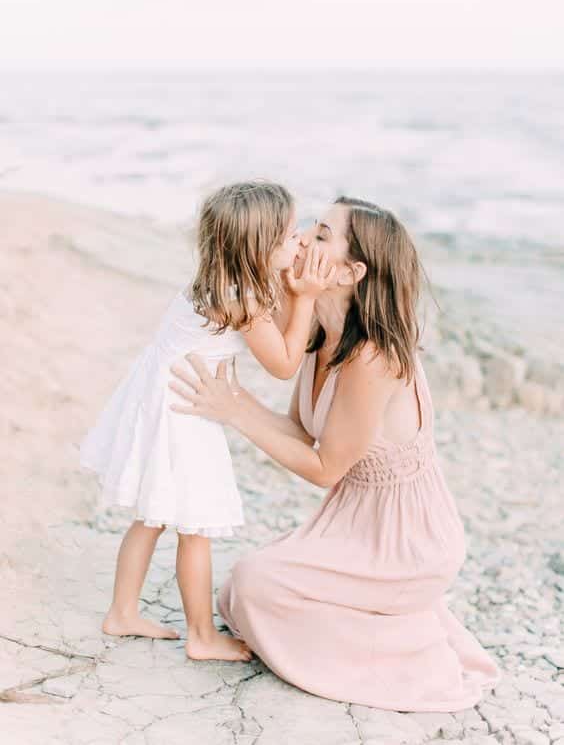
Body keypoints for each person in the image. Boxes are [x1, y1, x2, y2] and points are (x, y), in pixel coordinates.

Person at [169, 196, 500, 710]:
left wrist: (235, 412)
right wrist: (235, 401)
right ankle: (385, 615)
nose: (302, 237)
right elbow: (302, 432)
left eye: (321, 234)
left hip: (405, 539)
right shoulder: (323, 333)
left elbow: (324, 468)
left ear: (351, 271)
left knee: (254, 586)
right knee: (239, 589)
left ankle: (413, 642)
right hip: (353, 522)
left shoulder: (373, 356)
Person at [80, 180, 334, 662]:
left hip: (162, 398)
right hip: (183, 409)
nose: (300, 239)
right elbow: (283, 364)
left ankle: (122, 611)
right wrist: (305, 299)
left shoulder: (221, 279)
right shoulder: (244, 302)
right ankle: (201, 636)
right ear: (258, 249)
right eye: (288, 235)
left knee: (151, 517)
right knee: (195, 526)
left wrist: (288, 282)